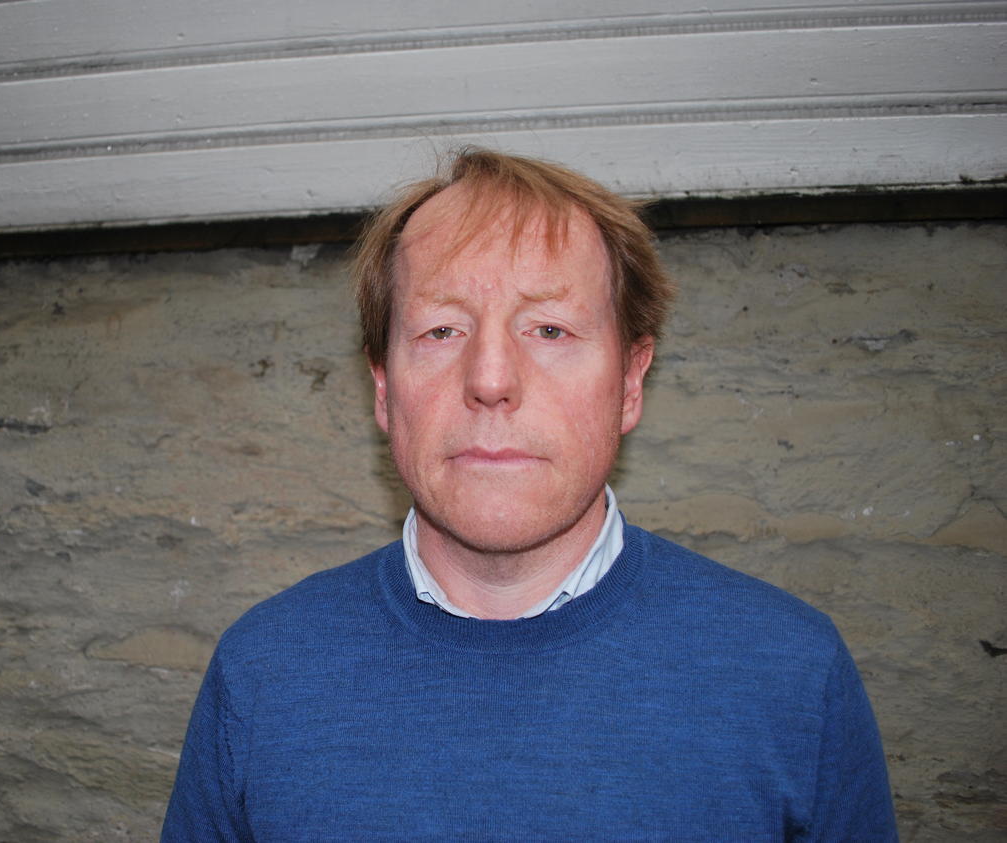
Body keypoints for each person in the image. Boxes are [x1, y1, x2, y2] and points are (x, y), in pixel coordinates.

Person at [161, 148, 897, 840]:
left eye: (549, 328)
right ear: (383, 388)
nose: (490, 379)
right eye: (441, 330)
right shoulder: (260, 676)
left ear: (630, 382)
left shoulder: (793, 676)